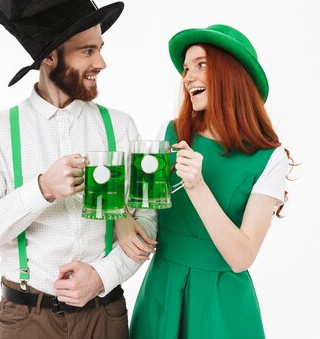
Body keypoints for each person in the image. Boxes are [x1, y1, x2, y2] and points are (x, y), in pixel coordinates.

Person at [0, 0, 157, 339]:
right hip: (25, 320)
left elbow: (146, 220)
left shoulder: (120, 126)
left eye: (100, 48)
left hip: (105, 315)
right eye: (87, 50)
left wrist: (103, 274)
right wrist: (42, 189)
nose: (101, 62)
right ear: (50, 57)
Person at [116, 24, 293, 338]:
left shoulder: (270, 157)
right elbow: (141, 221)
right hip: (162, 294)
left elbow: (242, 257)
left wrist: (197, 186)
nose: (188, 77)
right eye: (186, 69)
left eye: (201, 65)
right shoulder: (168, 135)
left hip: (222, 310)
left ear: (231, 74)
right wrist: (116, 210)